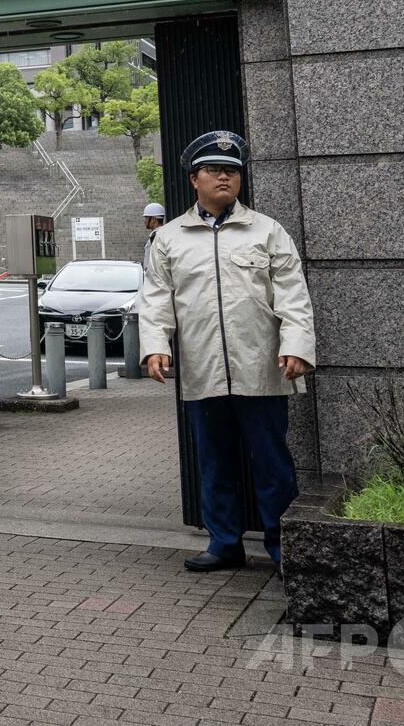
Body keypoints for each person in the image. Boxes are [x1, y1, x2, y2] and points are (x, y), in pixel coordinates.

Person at [139, 130, 316, 572]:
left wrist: (296, 345)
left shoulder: (267, 231)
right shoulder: (170, 239)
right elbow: (156, 297)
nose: (225, 177)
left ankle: (282, 548)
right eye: (215, 170)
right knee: (214, 462)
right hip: (203, 368)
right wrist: (155, 347)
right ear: (194, 179)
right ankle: (224, 543)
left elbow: (293, 295)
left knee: (272, 463)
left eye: (232, 171)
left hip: (263, 367)